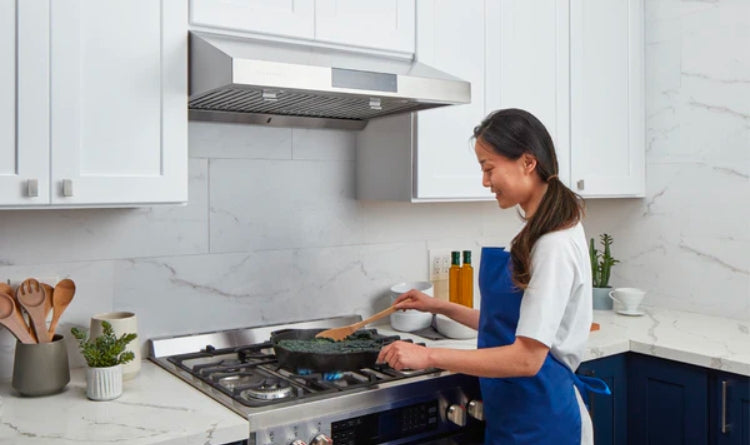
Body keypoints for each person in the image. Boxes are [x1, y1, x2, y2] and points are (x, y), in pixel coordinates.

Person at [377, 108, 609, 444]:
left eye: (489, 168)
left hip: (544, 425)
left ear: (528, 163)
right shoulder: (540, 233)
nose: (485, 181)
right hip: (518, 415)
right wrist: (439, 306)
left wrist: (428, 355)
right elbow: (511, 326)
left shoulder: (553, 245)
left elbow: (527, 358)